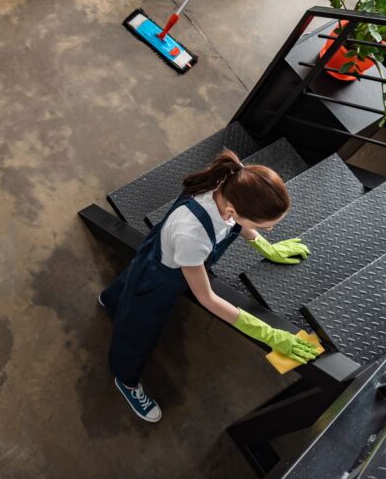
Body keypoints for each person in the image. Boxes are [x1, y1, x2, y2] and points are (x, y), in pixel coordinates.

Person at [99, 150, 320, 422]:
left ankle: (111, 300)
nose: (269, 230)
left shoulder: (230, 183)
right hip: (162, 278)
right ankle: (126, 379)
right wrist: (269, 335)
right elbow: (207, 298)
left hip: (165, 249)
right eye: (265, 227)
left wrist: (267, 248)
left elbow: (238, 224)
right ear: (233, 211)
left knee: (131, 280)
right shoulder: (194, 236)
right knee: (138, 330)